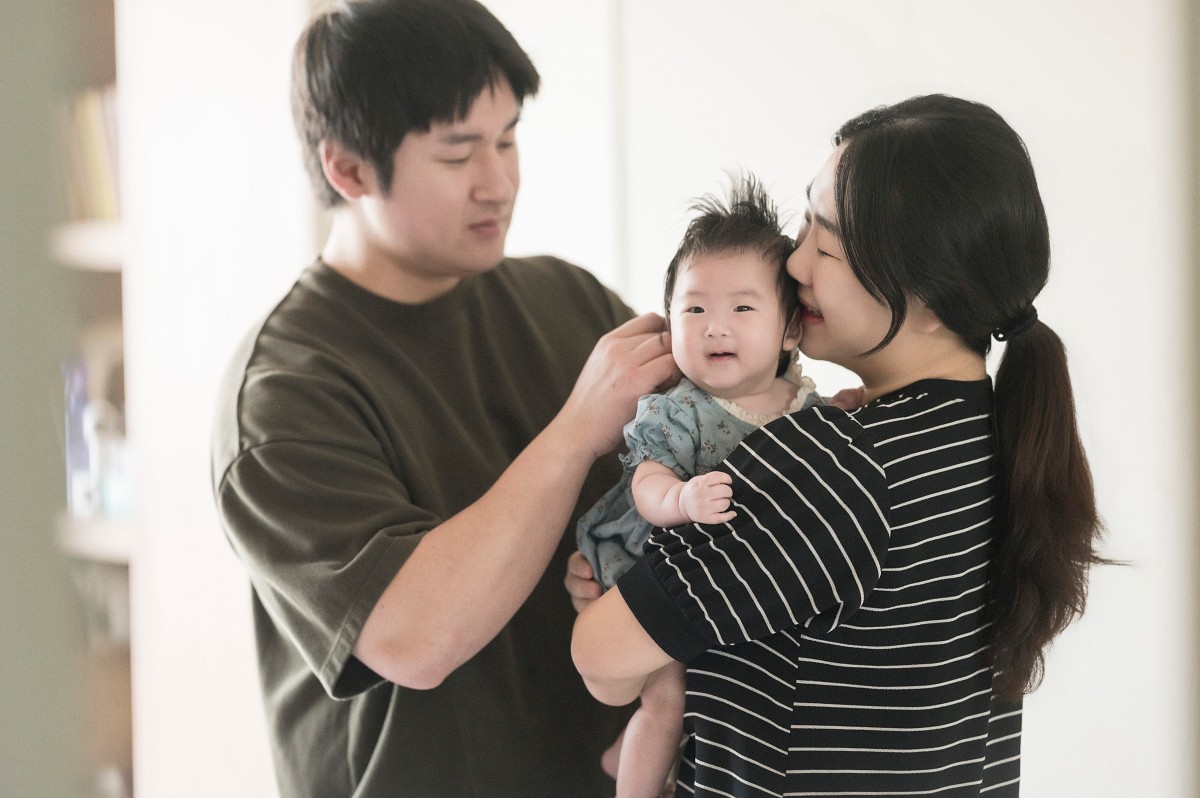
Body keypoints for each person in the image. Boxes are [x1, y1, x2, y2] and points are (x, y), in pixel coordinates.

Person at [570, 94, 1106, 797]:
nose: (793, 264)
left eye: (825, 245)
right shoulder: (992, 432)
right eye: (804, 226)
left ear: (931, 295)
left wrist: (607, 594)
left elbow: (600, 658)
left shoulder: (836, 467)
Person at [209, 1, 677, 796]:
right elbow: (414, 638)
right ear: (349, 170)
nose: (499, 182)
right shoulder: (283, 392)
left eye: (508, 138)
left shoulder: (567, 298)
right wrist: (574, 433)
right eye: (459, 153)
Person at [575, 176, 852, 797]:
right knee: (668, 698)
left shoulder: (800, 401)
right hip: (651, 559)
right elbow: (646, 482)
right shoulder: (678, 411)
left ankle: (626, 755)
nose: (714, 328)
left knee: (716, 690)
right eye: (694, 309)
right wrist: (679, 499)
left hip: (725, 582)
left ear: (790, 330)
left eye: (742, 309)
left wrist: (849, 406)